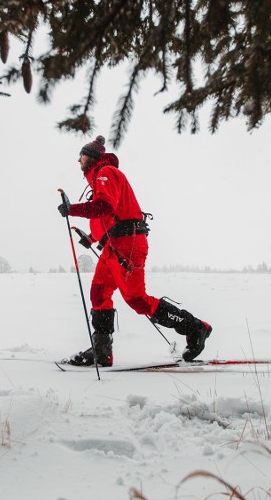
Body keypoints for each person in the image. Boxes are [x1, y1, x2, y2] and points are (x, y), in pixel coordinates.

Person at [57, 135, 212, 367]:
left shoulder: (105, 173)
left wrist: (73, 209)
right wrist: (91, 237)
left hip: (127, 245)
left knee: (137, 300)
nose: (78, 160)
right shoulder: (100, 178)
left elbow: (104, 207)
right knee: (99, 294)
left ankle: (196, 327)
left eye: (81, 156)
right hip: (114, 246)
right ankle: (101, 352)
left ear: (91, 157)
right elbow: (110, 215)